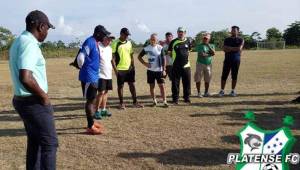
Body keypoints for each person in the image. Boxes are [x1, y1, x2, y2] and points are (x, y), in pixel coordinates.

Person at [9, 10, 58, 170]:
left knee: (35, 141)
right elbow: (26, 77)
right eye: (47, 29)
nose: (47, 33)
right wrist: (43, 96)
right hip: (34, 102)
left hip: (22, 101)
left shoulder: (19, 41)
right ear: (41, 26)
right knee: (49, 144)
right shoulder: (29, 44)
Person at [77, 25, 111, 134]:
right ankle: (90, 126)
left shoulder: (95, 42)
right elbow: (81, 56)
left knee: (92, 100)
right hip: (88, 77)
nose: (105, 36)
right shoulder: (90, 41)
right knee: (90, 101)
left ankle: (91, 123)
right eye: (104, 34)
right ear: (98, 34)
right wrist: (84, 68)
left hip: (93, 76)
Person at [111, 28, 144, 109]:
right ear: (121, 34)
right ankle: (121, 103)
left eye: (127, 35)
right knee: (120, 86)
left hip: (129, 68)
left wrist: (133, 66)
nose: (126, 36)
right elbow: (112, 58)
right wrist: (115, 70)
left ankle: (135, 102)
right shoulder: (115, 43)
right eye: (125, 35)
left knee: (132, 84)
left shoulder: (129, 43)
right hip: (120, 69)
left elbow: (131, 55)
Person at [138, 33, 168, 107]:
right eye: (151, 39)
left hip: (159, 71)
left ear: (157, 40)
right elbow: (139, 57)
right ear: (150, 40)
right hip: (150, 71)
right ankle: (154, 101)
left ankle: (164, 101)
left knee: (162, 86)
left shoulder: (160, 48)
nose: (153, 40)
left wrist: (164, 69)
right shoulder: (146, 48)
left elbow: (164, 59)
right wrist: (145, 63)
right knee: (152, 86)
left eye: (154, 39)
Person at [168, 27, 192, 104]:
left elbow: (189, 51)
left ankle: (186, 98)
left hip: (186, 66)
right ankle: (175, 99)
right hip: (176, 66)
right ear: (177, 32)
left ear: (185, 32)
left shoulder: (188, 41)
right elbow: (169, 53)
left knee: (187, 83)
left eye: (182, 32)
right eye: (179, 32)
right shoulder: (173, 42)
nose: (180, 33)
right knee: (175, 83)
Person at [219, 26, 244, 97]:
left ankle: (233, 91)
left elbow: (239, 49)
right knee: (224, 75)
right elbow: (224, 49)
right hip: (227, 60)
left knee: (234, 76)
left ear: (238, 31)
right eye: (232, 30)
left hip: (236, 60)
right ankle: (222, 90)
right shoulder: (227, 39)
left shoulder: (240, 39)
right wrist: (234, 48)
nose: (233, 31)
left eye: (234, 30)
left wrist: (229, 48)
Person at [94, 36, 114, 119]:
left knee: (106, 92)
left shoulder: (109, 49)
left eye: (111, 40)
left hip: (108, 74)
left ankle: (103, 110)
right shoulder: (98, 46)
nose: (110, 41)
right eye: (108, 39)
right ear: (104, 39)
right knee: (101, 92)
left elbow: (110, 60)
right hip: (100, 74)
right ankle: (96, 111)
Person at [194, 33, 215, 97]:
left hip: (209, 64)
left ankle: (206, 92)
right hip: (200, 64)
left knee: (207, 79)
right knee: (198, 78)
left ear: (209, 39)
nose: (205, 39)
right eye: (204, 38)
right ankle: (199, 93)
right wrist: (210, 54)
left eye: (206, 38)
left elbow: (213, 53)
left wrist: (208, 46)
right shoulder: (199, 45)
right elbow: (202, 55)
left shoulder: (212, 45)